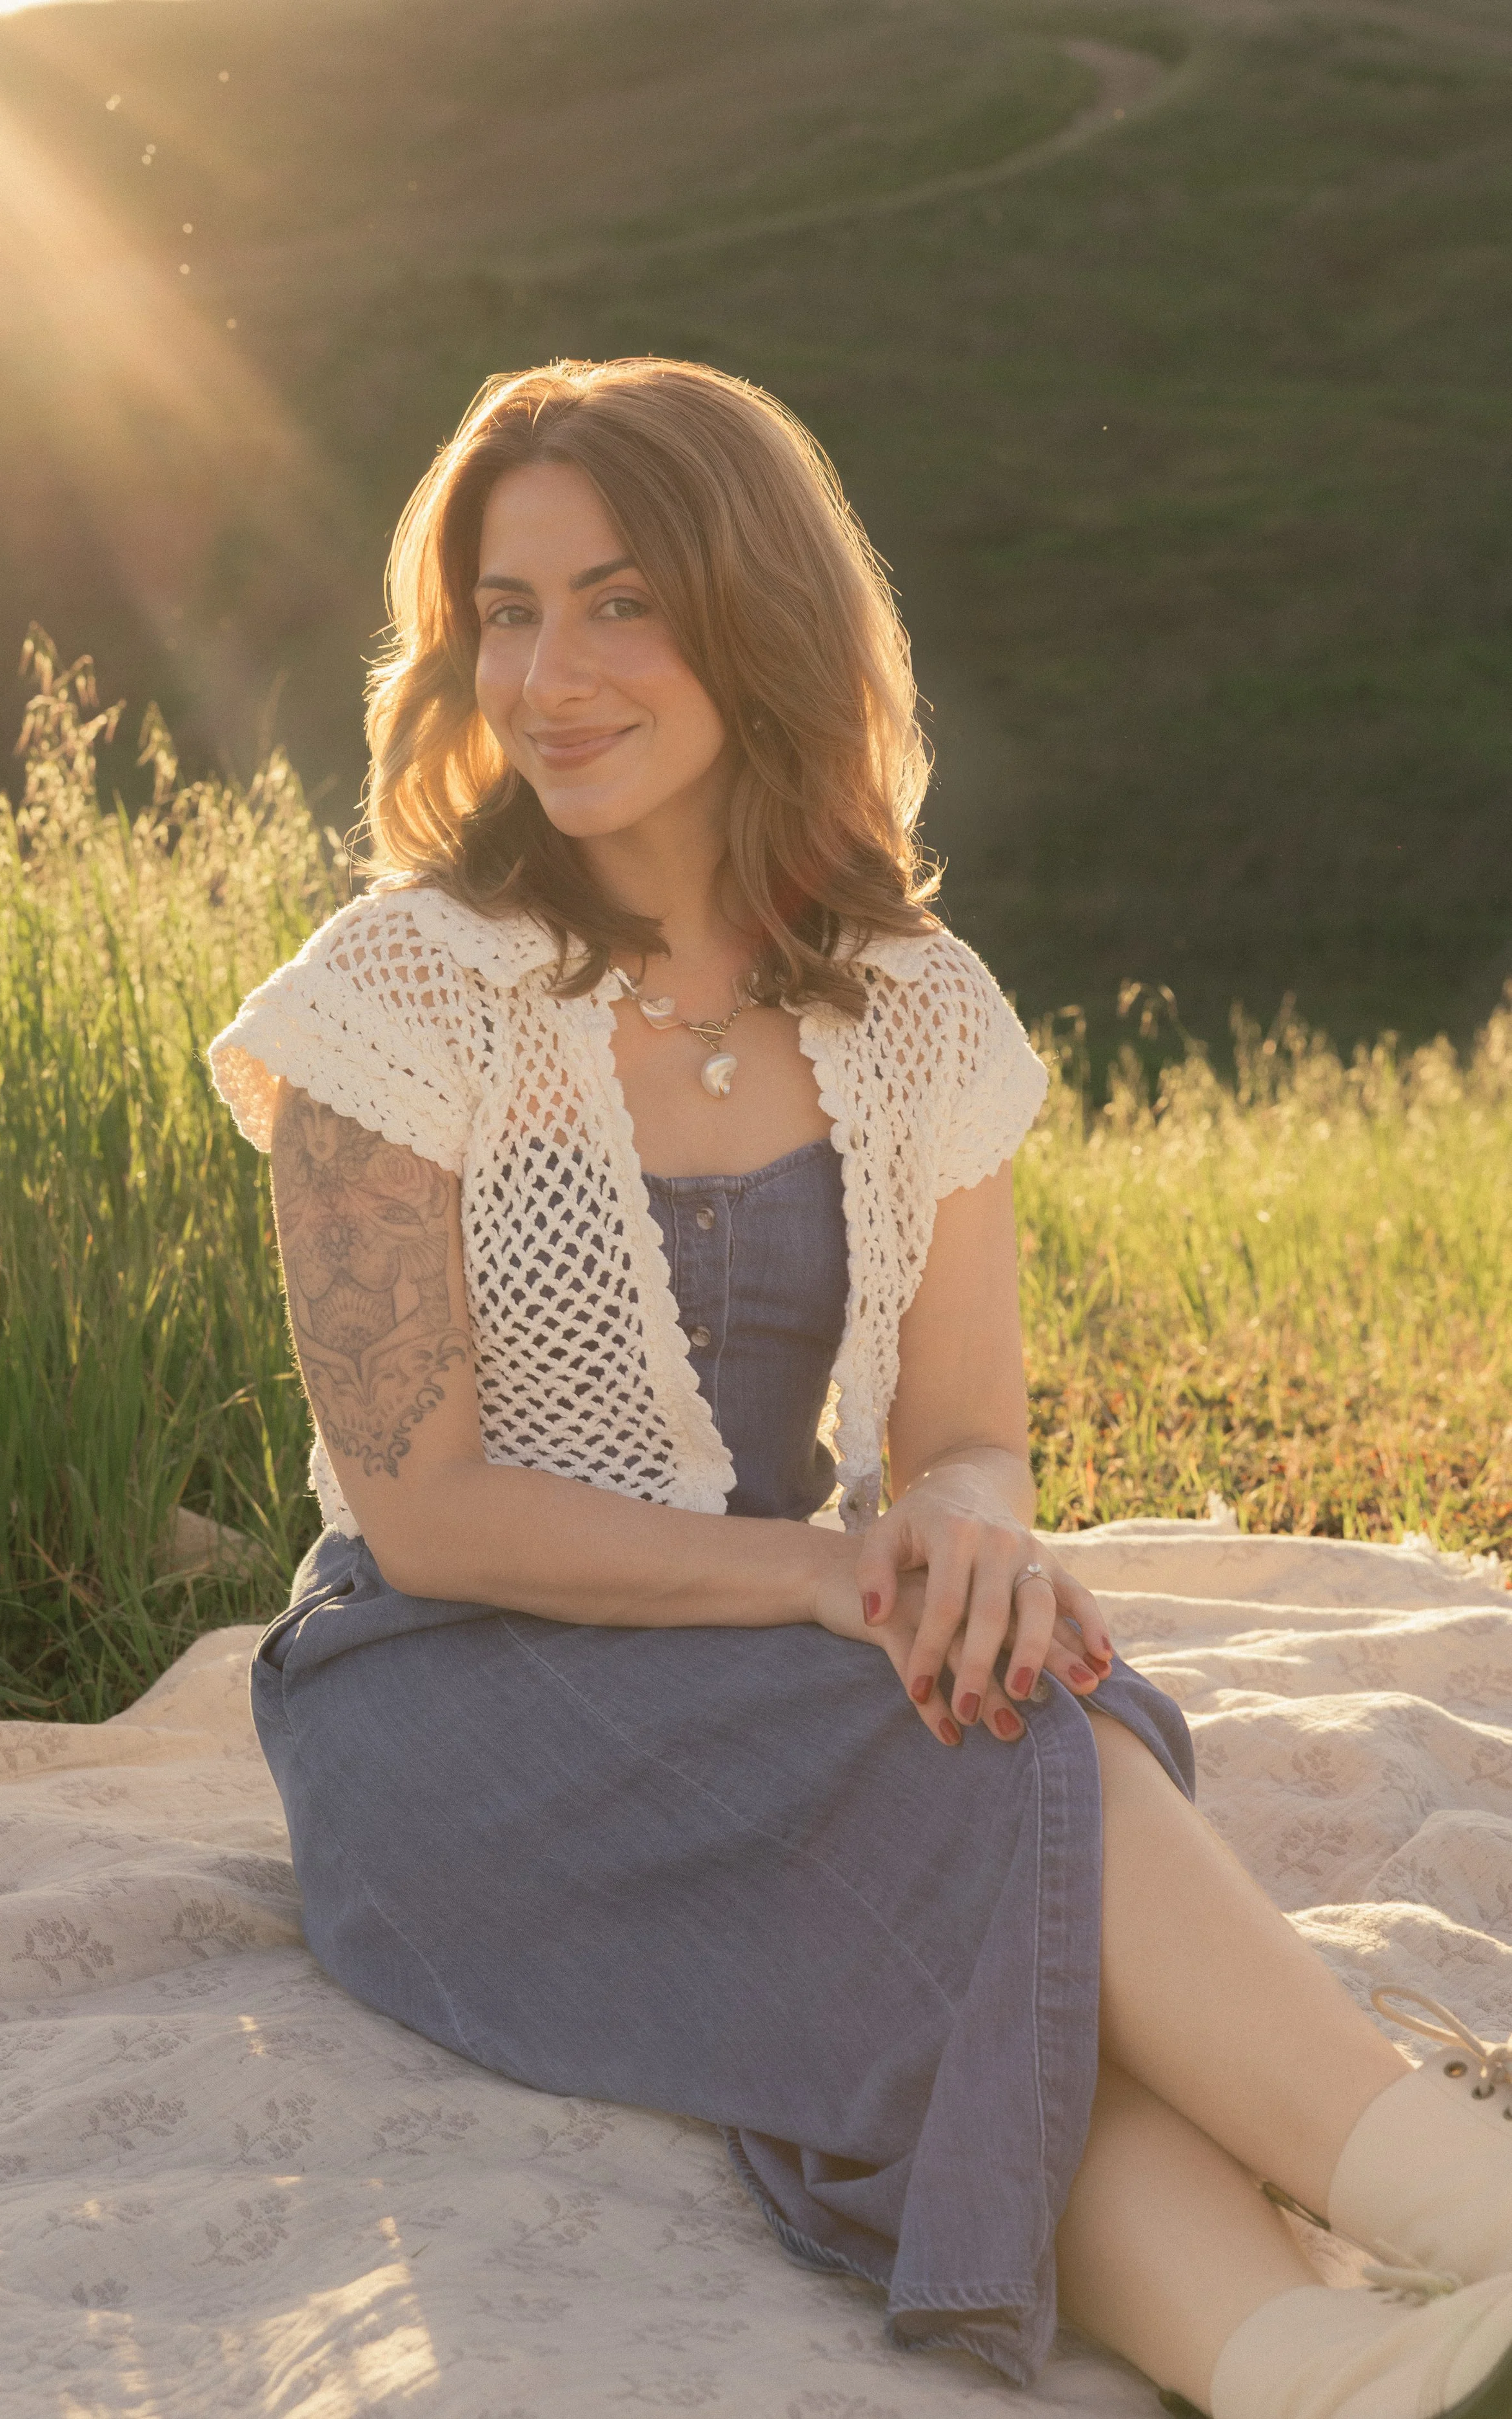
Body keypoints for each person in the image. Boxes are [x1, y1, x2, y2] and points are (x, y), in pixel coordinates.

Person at [209, 358, 1512, 2419]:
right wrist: (838, 1584)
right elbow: (429, 1505)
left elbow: (964, 1433)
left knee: (999, 1765)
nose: (548, 669)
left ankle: (1326, 2371)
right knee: (1004, 1764)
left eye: (619, 600)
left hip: (769, 1681)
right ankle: (1469, 2210)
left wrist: (967, 1535)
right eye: (506, 609)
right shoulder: (393, 993)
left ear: (757, 615)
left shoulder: (918, 1016)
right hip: (448, 1704)